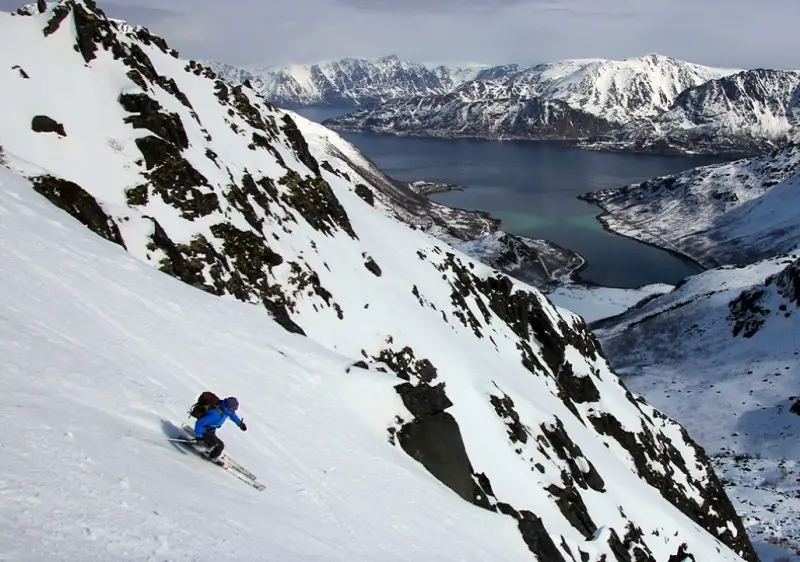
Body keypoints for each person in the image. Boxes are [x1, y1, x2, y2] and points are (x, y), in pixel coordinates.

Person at [194, 396, 247, 464]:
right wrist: (199, 437)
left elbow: (233, 415)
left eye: (235, 409)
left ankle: (208, 444)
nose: (234, 411)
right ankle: (211, 456)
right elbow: (199, 423)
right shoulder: (215, 414)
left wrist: (240, 424)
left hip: (211, 430)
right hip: (205, 431)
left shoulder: (226, 410)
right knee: (220, 446)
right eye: (233, 409)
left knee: (212, 441)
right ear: (228, 406)